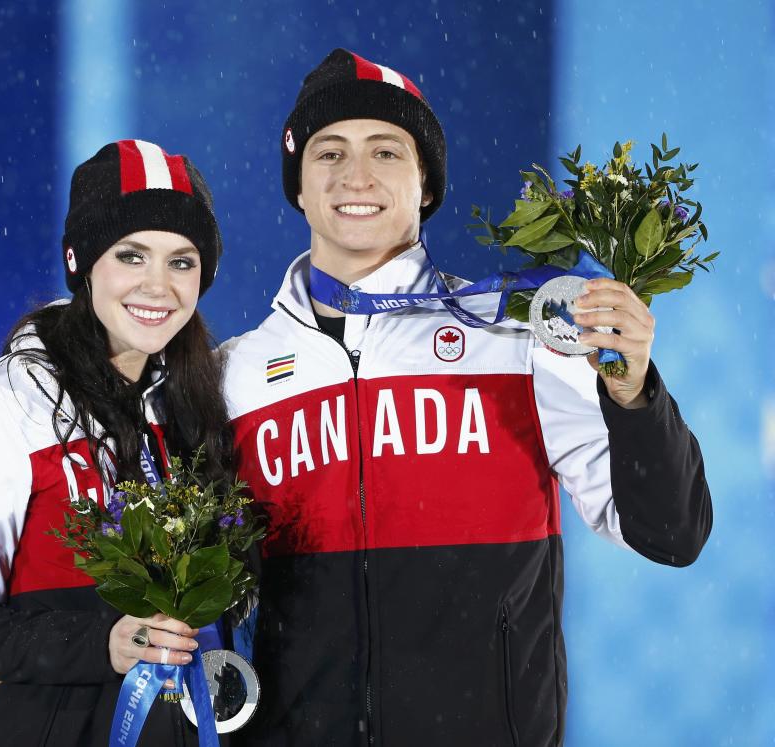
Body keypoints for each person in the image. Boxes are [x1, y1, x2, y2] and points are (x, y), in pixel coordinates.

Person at [221, 49, 712, 746]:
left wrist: (634, 393)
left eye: (386, 151)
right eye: (329, 152)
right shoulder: (233, 377)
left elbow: (670, 530)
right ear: (297, 186)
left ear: (425, 184)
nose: (355, 175)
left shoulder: (516, 338)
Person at [0, 139, 234, 746]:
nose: (158, 286)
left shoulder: (198, 399)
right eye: (132, 255)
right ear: (83, 264)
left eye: (182, 261)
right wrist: (103, 644)